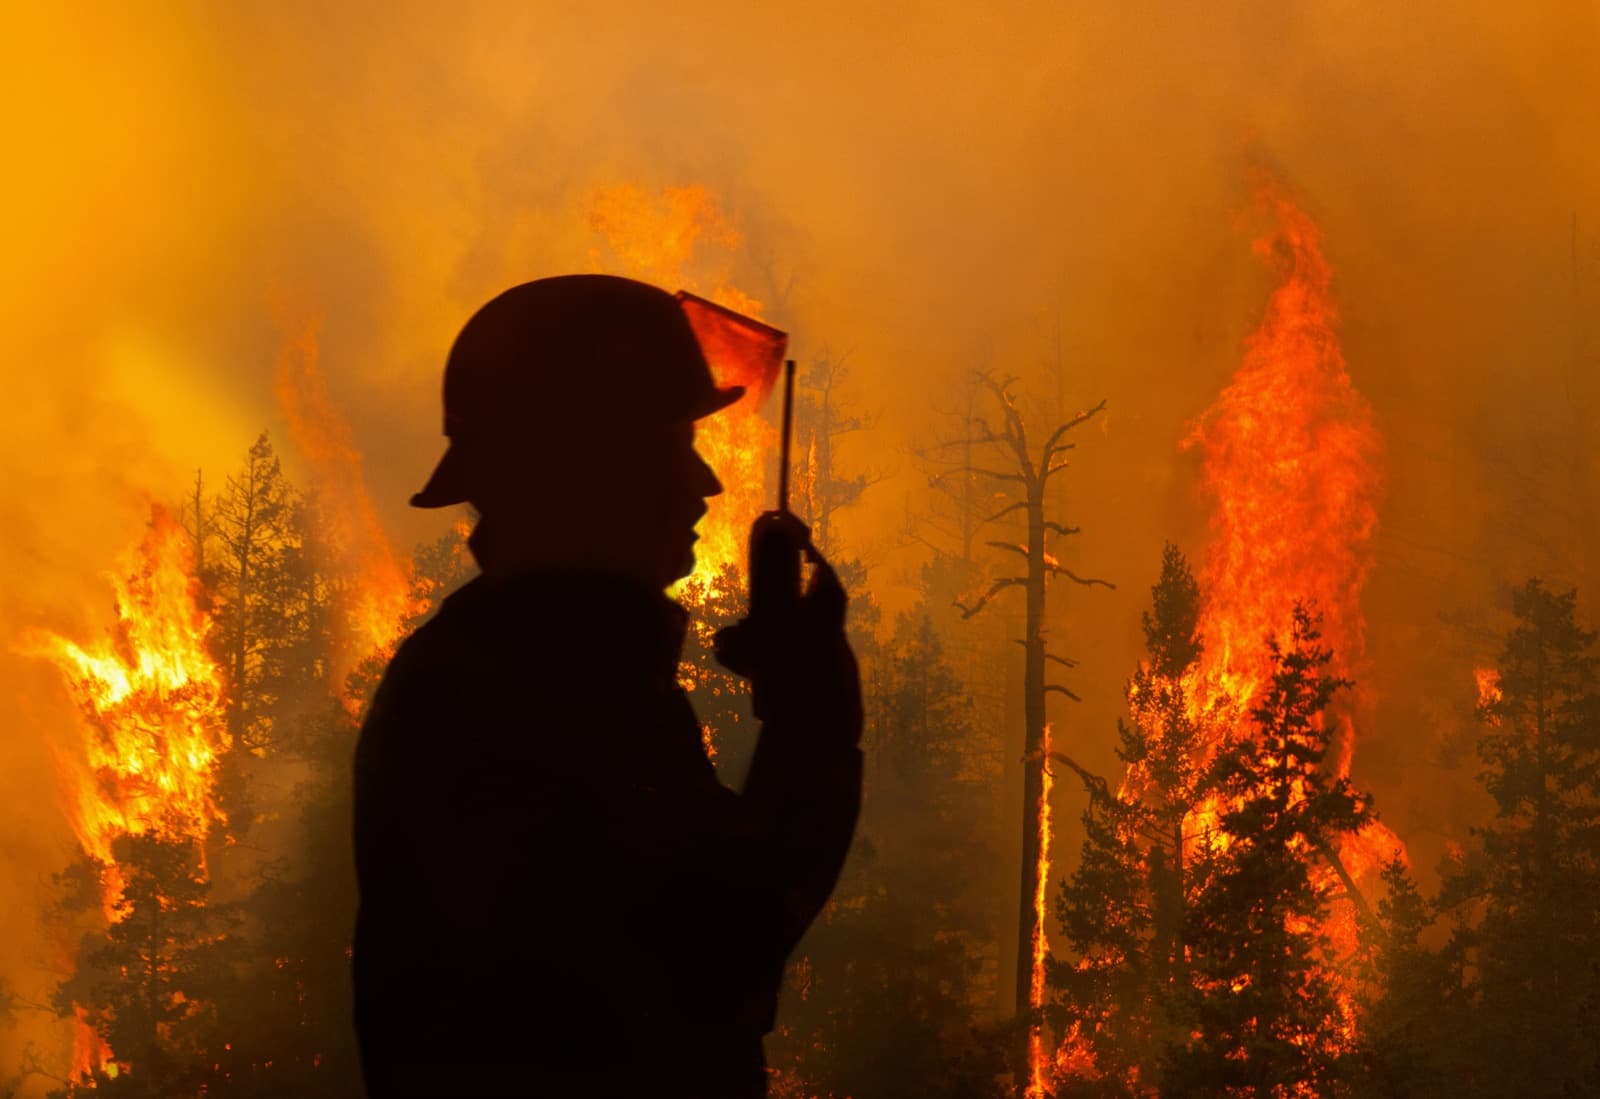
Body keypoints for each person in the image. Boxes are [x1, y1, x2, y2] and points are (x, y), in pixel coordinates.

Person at [352, 275, 863, 1098]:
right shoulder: (533, 688)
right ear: (586, 466)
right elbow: (723, 945)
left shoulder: (540, 663)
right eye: (673, 449)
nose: (707, 485)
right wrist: (811, 720)